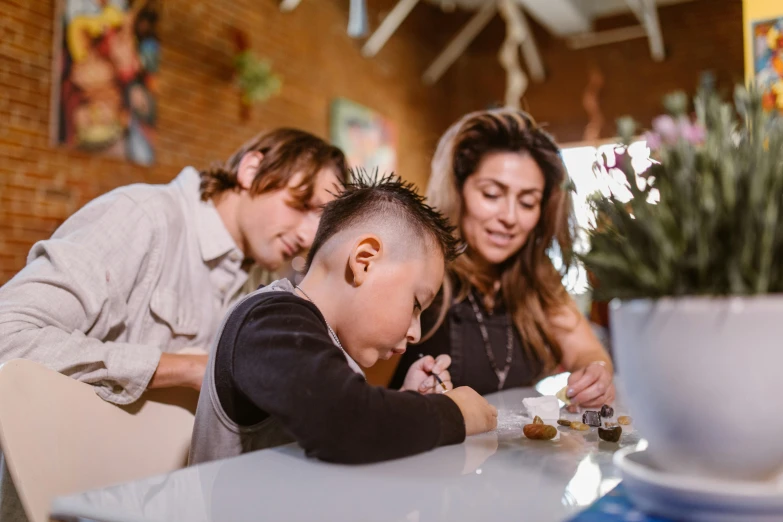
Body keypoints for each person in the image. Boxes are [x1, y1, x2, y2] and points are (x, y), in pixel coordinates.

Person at [0, 128, 347, 405]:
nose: (307, 235)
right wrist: (186, 369)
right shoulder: (142, 215)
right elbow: (8, 335)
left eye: (321, 223)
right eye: (302, 204)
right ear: (251, 170)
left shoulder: (260, 276)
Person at [189, 173, 498, 465]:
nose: (415, 332)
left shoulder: (315, 337)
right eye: (416, 304)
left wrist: (405, 403)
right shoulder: (268, 321)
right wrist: (453, 413)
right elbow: (346, 422)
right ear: (364, 261)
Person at [390, 109, 615, 407]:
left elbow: (586, 352)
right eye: (492, 194)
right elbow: (362, 388)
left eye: (527, 202)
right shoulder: (417, 272)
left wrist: (595, 374)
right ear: (459, 191)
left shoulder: (537, 277)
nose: (509, 217)